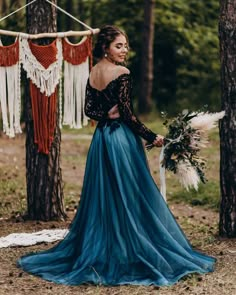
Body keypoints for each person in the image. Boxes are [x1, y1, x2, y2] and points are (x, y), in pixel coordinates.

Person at [17, 25, 216, 286]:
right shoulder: (122, 73)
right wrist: (152, 137)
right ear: (105, 48)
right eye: (119, 46)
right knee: (131, 193)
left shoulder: (93, 72)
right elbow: (128, 115)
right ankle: (129, 249)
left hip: (102, 140)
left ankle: (113, 246)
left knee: (107, 194)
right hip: (121, 139)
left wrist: (106, 115)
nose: (125, 50)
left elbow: (90, 110)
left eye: (126, 45)